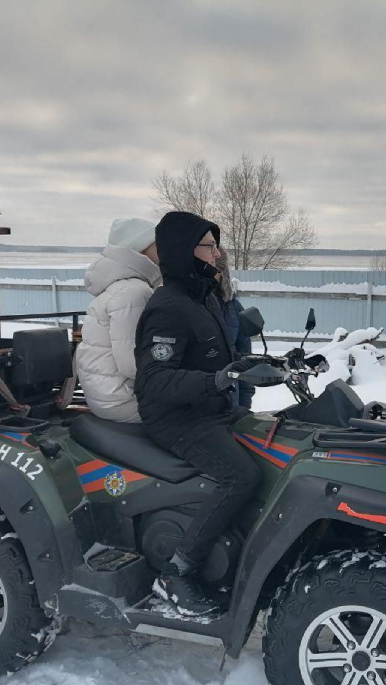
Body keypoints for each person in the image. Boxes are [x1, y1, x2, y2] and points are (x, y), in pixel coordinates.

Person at [134, 211, 262, 616]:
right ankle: (177, 571)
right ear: (185, 252)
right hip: (178, 420)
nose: (218, 253)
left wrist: (258, 366)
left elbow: (221, 356)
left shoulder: (203, 296)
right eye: (209, 246)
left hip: (214, 409)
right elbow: (153, 380)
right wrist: (215, 382)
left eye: (215, 244)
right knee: (241, 475)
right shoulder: (168, 307)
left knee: (276, 443)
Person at [75, 218, 161, 422]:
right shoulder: (133, 291)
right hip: (123, 399)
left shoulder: (121, 287)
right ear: (139, 249)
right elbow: (132, 364)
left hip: (106, 395)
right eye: (158, 243)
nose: (165, 248)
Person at [213, 256, 254, 409]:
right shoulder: (187, 306)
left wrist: (244, 404)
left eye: (215, 268)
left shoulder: (234, 309)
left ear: (223, 273)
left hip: (231, 402)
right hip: (197, 405)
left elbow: (245, 360)